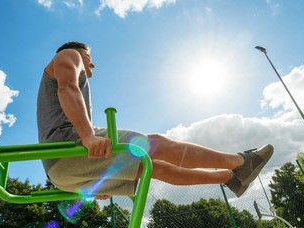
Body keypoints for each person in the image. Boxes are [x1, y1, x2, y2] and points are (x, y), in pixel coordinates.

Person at [37, 41, 273, 200]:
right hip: (69, 148)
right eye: (90, 56)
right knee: (155, 144)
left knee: (153, 168)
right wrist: (88, 136)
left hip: (62, 176)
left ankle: (230, 179)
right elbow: (67, 88)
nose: (92, 62)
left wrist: (91, 185)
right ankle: (241, 161)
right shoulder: (69, 55)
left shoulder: (71, 77)